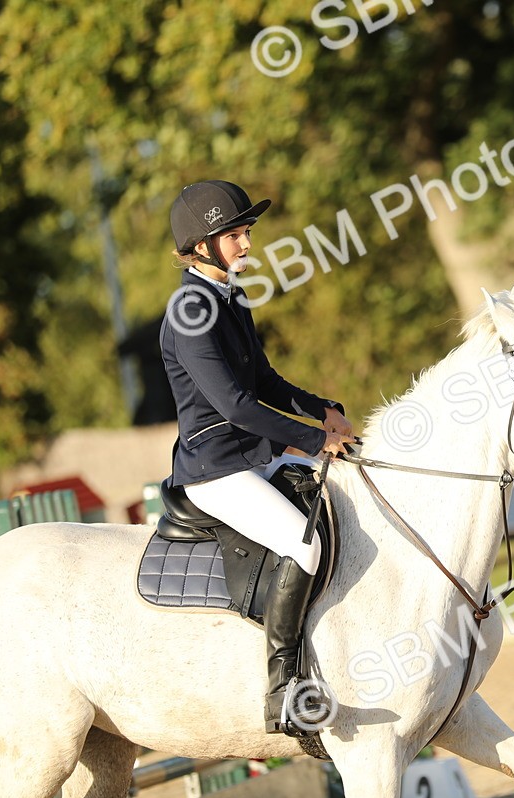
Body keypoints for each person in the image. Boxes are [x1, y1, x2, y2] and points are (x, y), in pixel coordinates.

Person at [160, 180, 356, 735]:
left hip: (253, 455)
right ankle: (285, 689)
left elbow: (264, 380)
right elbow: (235, 404)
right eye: (235, 235)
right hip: (217, 468)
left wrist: (324, 410)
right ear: (202, 245)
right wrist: (317, 442)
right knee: (307, 544)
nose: (247, 244)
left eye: (246, 232)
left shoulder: (230, 295)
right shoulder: (188, 311)